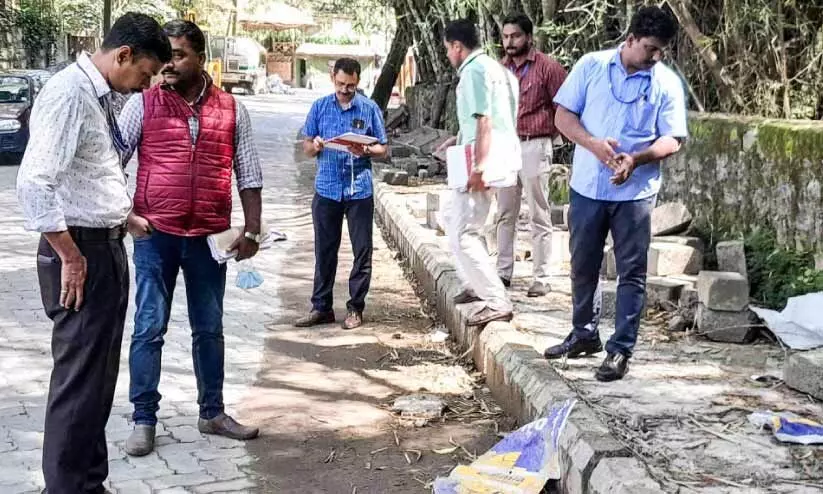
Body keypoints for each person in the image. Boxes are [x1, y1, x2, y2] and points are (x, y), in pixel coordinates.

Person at [16, 13, 171, 493]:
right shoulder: (68, 94)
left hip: (104, 246)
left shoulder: (99, 95)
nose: (145, 86)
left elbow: (83, 176)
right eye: (144, 74)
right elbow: (35, 184)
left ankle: (88, 482)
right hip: (80, 254)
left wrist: (121, 216)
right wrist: (71, 255)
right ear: (123, 55)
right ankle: (64, 487)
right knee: (78, 381)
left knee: (98, 381)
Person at [117, 20, 263, 456]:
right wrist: (125, 214)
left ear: (201, 57)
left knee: (209, 328)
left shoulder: (231, 108)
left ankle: (212, 413)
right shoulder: (142, 104)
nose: (168, 65)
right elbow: (111, 160)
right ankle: (143, 419)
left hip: (209, 238)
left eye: (178, 55)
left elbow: (249, 173)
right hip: (155, 235)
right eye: (165, 56)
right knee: (148, 328)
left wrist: (252, 229)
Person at [543, 6, 688, 382]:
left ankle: (620, 350)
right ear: (629, 40)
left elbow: (673, 139)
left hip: (636, 194)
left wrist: (636, 159)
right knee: (582, 264)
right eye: (650, 49)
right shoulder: (591, 66)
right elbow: (562, 117)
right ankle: (583, 334)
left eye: (661, 51)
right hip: (588, 187)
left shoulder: (665, 83)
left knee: (632, 273)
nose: (655, 57)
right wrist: (593, 145)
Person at [297, 58, 388, 330]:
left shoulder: (369, 108)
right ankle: (321, 307)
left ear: (358, 81)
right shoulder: (320, 107)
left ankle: (355, 308)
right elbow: (306, 147)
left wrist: (368, 151)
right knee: (325, 250)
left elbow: (383, 148)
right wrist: (316, 145)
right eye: (340, 84)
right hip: (327, 189)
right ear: (332, 78)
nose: (345, 90)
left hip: (359, 189)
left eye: (350, 85)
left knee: (362, 251)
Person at [442, 19, 519, 326]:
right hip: (495, 152)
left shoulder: (474, 71)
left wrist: (479, 166)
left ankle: (496, 299)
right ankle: (474, 283)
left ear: (457, 47)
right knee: (452, 218)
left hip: (482, 159)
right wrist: (459, 140)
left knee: (465, 233)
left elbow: (484, 121)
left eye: (448, 49)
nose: (448, 55)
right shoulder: (499, 70)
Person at [497, 14, 567, 297]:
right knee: (504, 213)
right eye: (505, 37)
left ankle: (542, 276)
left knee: (539, 213)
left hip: (535, 144)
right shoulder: (499, 70)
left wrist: (548, 139)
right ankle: (502, 273)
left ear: (528, 37)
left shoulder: (547, 68)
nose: (509, 42)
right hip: (505, 146)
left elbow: (565, 107)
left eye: (515, 36)